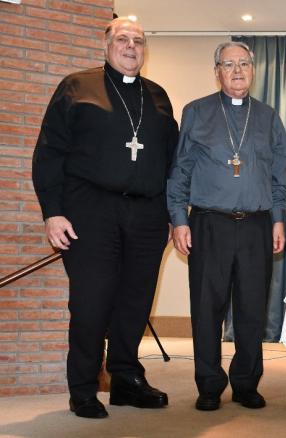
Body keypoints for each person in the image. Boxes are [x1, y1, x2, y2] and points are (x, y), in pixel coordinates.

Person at [31, 17, 177, 419]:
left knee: (135, 302)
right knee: (92, 302)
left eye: (139, 41)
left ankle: (126, 379)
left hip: (148, 212)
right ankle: (82, 388)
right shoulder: (77, 86)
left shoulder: (158, 95)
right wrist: (53, 212)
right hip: (90, 210)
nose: (131, 47)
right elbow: (49, 153)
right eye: (123, 39)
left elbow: (172, 160)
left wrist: (170, 213)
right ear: (106, 44)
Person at [166, 41, 286, 412]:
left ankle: (246, 383)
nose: (237, 71)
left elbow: (278, 175)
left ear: (253, 69)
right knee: (207, 309)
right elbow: (180, 171)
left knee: (252, 308)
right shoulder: (197, 112)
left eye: (244, 64)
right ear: (216, 71)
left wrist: (278, 219)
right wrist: (178, 219)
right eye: (228, 64)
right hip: (208, 223)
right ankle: (208, 385)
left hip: (256, 225)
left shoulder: (268, 117)